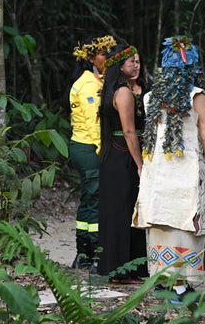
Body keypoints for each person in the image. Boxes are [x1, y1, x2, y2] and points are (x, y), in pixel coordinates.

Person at [133, 36, 205, 303]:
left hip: (158, 174)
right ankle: (183, 288)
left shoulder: (150, 98)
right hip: (187, 172)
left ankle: (165, 282)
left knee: (163, 224)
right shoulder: (197, 97)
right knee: (186, 225)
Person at [97, 43, 149, 283]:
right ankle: (121, 270)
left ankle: (125, 268)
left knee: (122, 210)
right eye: (132, 62)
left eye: (138, 61)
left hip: (114, 157)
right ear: (120, 65)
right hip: (123, 156)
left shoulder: (112, 89)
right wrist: (140, 164)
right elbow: (129, 132)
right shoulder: (124, 92)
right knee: (122, 212)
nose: (136, 65)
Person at [68, 35, 117, 270]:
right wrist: (102, 151)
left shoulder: (97, 80)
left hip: (85, 145)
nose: (107, 57)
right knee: (96, 198)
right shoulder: (87, 85)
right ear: (90, 58)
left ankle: (83, 253)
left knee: (89, 199)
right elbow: (92, 122)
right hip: (89, 146)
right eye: (103, 54)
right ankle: (96, 254)